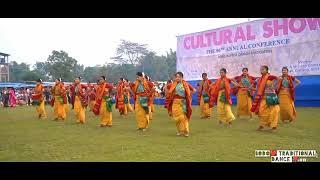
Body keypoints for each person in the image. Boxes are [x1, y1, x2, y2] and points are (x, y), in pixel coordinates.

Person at [166, 72, 196, 137]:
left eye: (179, 77)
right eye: (176, 77)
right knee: (176, 118)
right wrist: (169, 94)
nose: (177, 78)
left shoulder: (185, 84)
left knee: (183, 117)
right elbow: (167, 88)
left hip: (183, 103)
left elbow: (194, 90)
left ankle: (186, 131)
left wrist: (188, 95)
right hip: (175, 103)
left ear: (182, 78)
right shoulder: (173, 84)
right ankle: (179, 131)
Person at [251, 66, 280, 131]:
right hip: (263, 97)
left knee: (274, 110)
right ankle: (263, 125)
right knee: (261, 111)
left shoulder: (270, 77)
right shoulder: (259, 79)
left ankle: (273, 126)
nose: (261, 70)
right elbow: (253, 86)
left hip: (271, 96)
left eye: (263, 69)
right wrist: (253, 88)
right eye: (260, 69)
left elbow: (279, 79)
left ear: (267, 70)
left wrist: (274, 86)